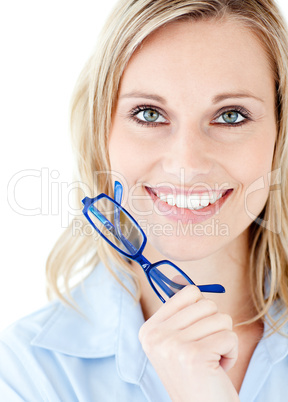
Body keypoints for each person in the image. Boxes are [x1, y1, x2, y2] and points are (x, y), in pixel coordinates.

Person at [1, 0, 288, 400]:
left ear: (280, 134)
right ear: (101, 132)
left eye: (231, 115)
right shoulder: (27, 372)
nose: (186, 162)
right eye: (150, 114)